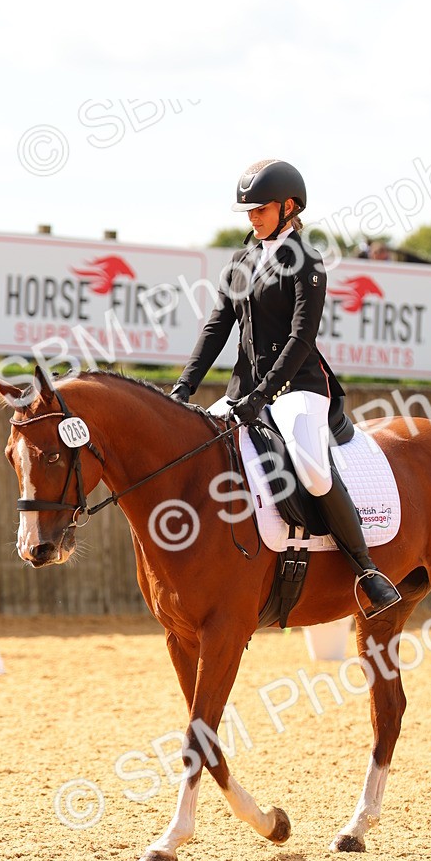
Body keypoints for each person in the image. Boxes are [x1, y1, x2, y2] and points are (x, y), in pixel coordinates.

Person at [170, 158, 401, 617]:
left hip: (298, 388)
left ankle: (366, 569)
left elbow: (301, 338)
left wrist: (262, 395)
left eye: (261, 209)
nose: (253, 217)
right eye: (249, 211)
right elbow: (216, 328)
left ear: (289, 207)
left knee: (313, 471)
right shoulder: (241, 261)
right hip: (243, 390)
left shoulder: (307, 262)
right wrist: (184, 387)